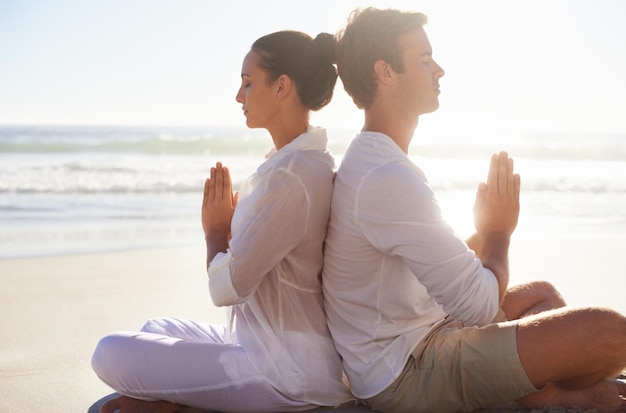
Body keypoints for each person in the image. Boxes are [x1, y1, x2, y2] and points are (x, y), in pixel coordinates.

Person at [322, 7, 626, 413]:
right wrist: (499, 234)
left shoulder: (375, 159)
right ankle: (552, 398)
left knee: (543, 297)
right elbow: (480, 306)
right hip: (405, 375)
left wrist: (482, 234)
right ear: (385, 72)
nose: (440, 70)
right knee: (610, 333)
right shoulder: (384, 175)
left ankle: (536, 391)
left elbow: (424, 275)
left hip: (422, 336)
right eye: (425, 60)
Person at [92, 30, 354, 413]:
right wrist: (235, 233)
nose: (238, 96)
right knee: (156, 329)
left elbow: (226, 290)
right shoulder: (298, 163)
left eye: (248, 83)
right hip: (267, 344)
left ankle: (184, 406)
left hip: (283, 373)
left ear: (282, 86)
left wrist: (215, 232)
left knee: (109, 352)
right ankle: (186, 402)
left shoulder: (291, 176)